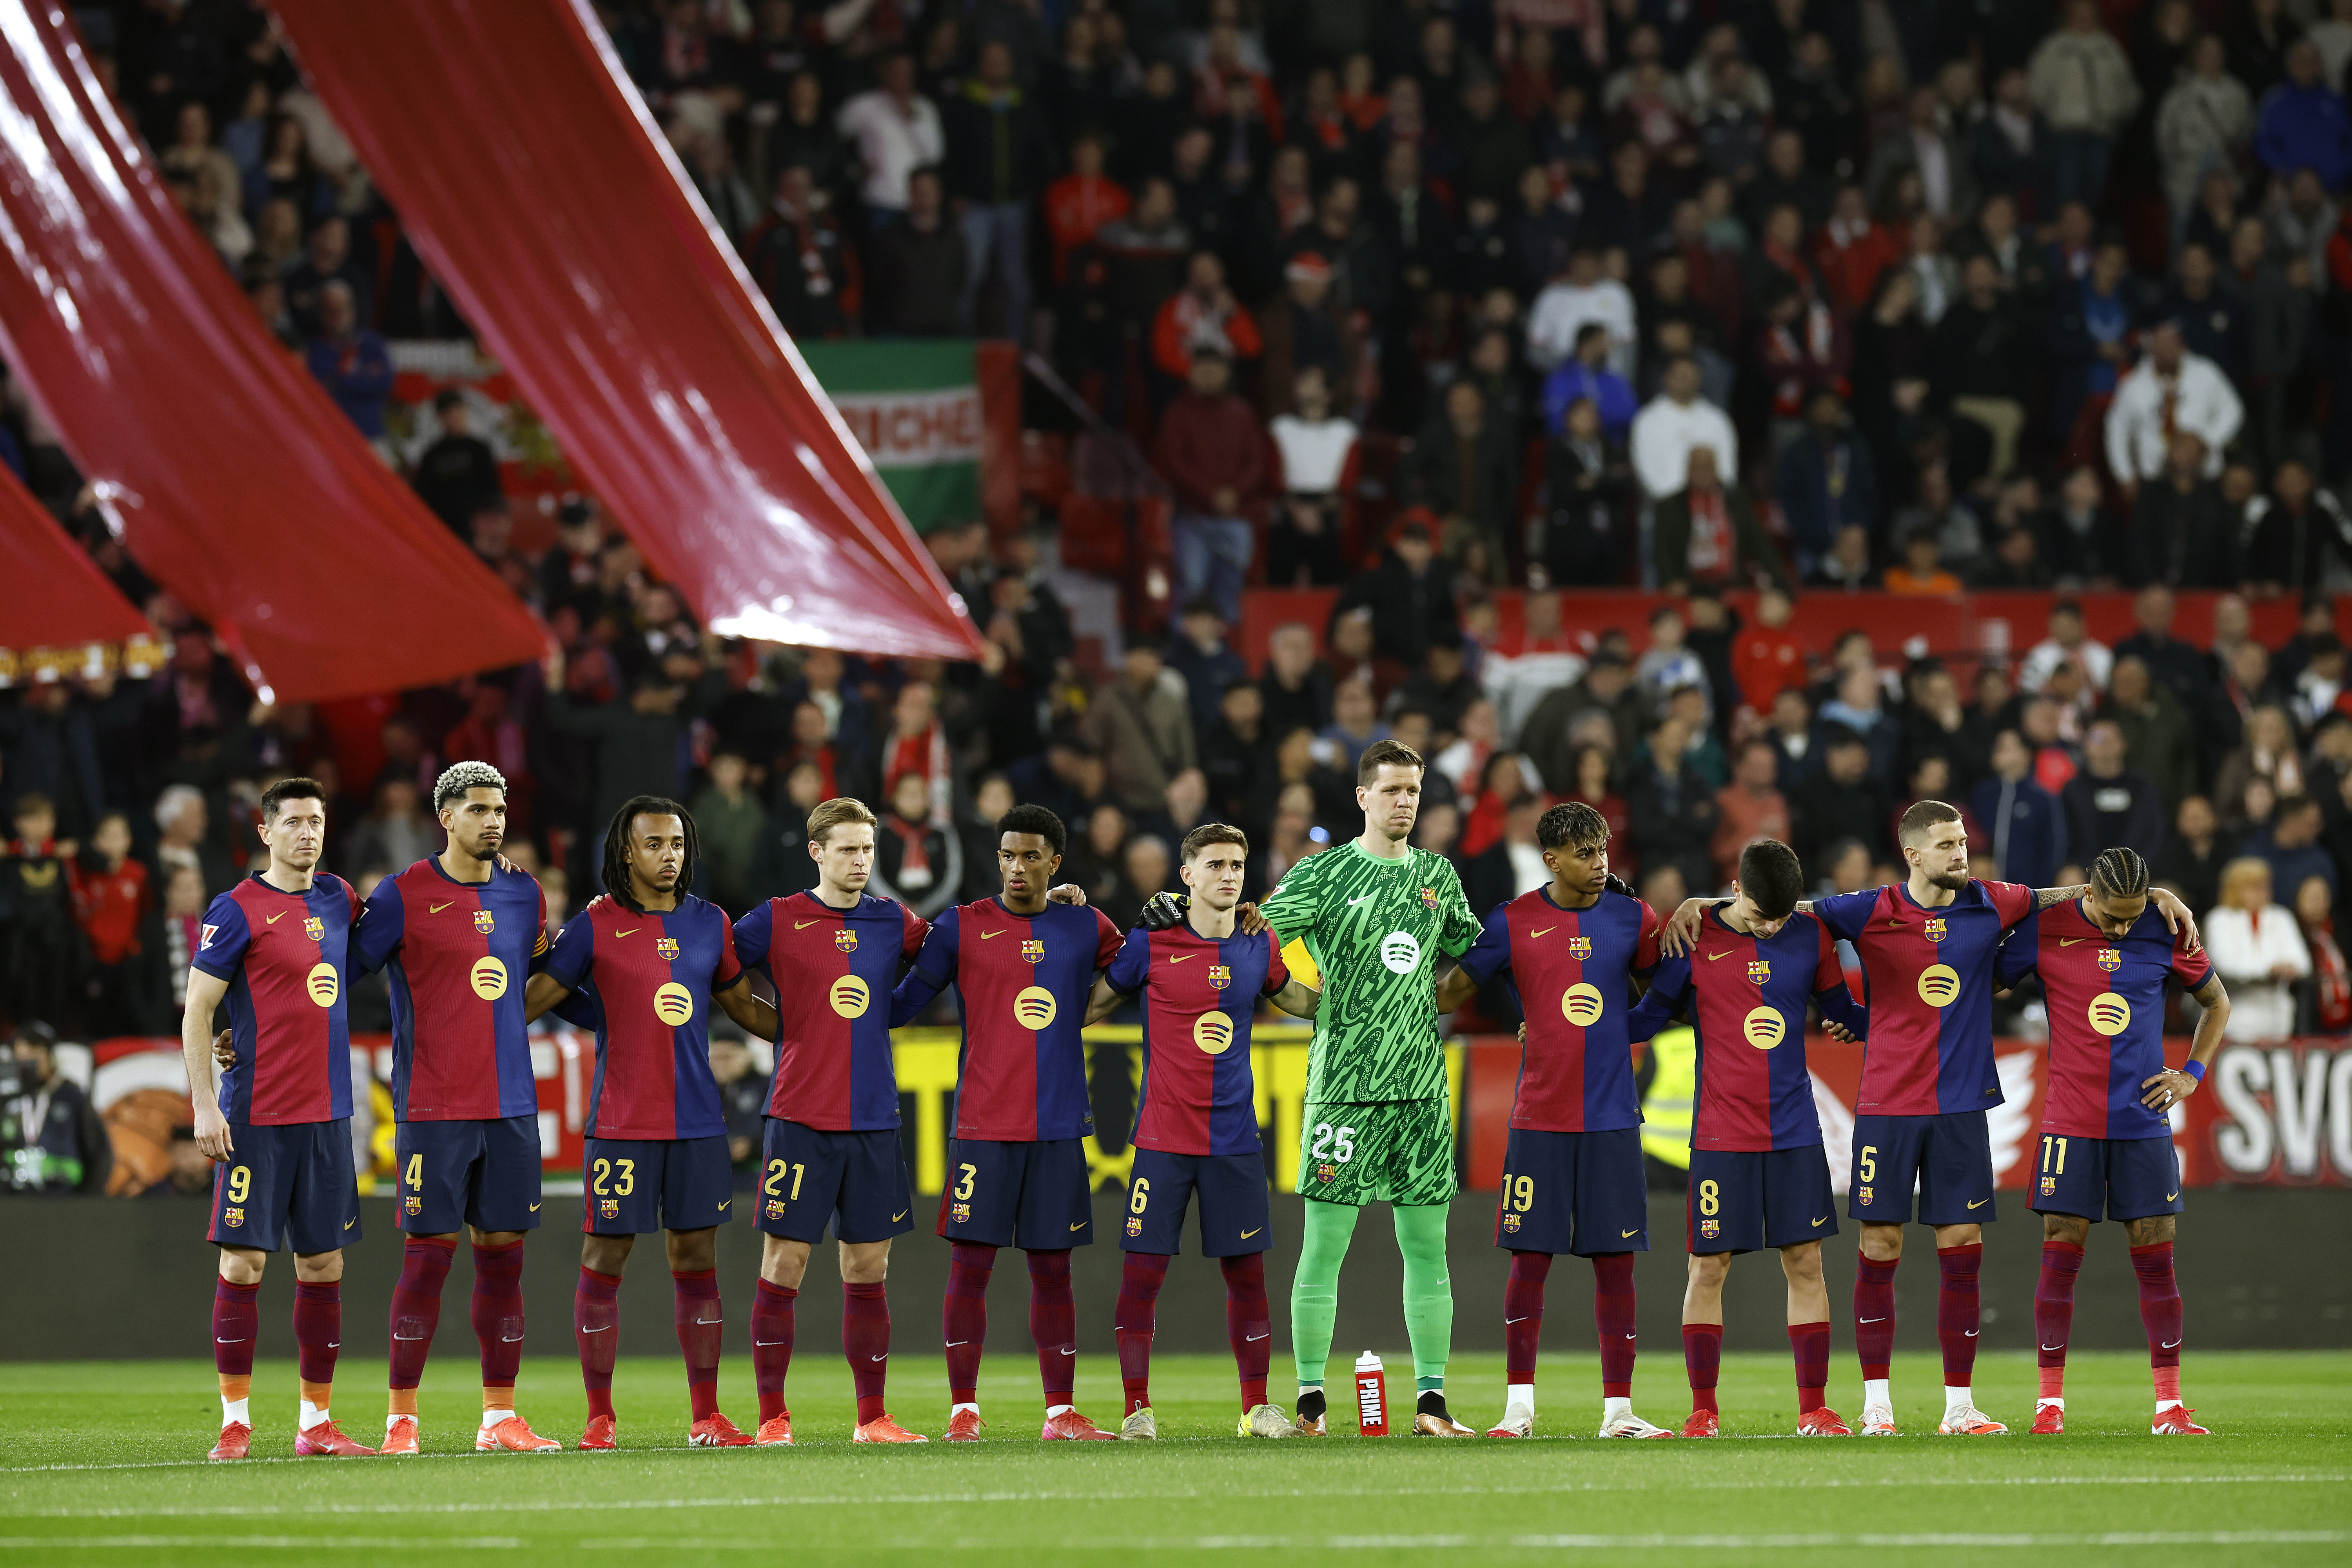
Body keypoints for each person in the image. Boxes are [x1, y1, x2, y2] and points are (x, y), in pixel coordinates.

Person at [1661, 800, 2197, 1436]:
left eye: (1963, 841)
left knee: (1962, 1247)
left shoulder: (1993, 902)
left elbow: (2073, 895)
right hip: (1887, 1103)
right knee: (1879, 1245)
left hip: (1963, 1106)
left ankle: (1959, 1406)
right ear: (1914, 854)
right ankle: (1877, 1407)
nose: (1961, 853)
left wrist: (2155, 890)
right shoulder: (1869, 909)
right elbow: (1782, 909)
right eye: (1947, 845)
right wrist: (1704, 907)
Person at [522, 797, 780, 1449]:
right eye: (655, 845)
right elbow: (534, 1001)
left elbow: (743, 1007)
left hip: (697, 1122)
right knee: (605, 1256)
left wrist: (829, 1026)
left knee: (697, 1259)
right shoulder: (595, 924)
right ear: (626, 853)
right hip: (623, 1121)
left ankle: (706, 1416)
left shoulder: (708, 925)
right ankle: (599, 1419)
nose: (670, 856)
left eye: (678, 844)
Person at [1259, 739, 1484, 1437]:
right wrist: (1299, 1001)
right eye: (1391, 790)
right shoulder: (1323, 874)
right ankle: (1310, 1403)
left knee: (1427, 1245)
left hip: (1420, 1083)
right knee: (1324, 1246)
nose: (1404, 802)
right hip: (1344, 1086)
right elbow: (1254, 937)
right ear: (1362, 797)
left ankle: (1432, 1404)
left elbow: (1477, 954)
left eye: (1413, 791)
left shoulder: (1438, 876)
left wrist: (1439, 999)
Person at [1434, 801, 1671, 1438]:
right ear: (1551, 860)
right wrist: (1385, 987)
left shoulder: (1633, 916)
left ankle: (1619, 1411)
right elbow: (1454, 990)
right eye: (1586, 855)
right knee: (1529, 1260)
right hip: (1539, 1118)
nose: (1600, 865)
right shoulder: (1515, 922)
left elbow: (1668, 989)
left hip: (1613, 1119)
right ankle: (1518, 1410)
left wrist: (1698, 911)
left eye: (1603, 852)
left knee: (1616, 1264)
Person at [889, 804, 1125, 1440]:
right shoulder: (964, 926)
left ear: (1055, 862)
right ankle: (963, 1411)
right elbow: (906, 1002)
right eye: (1007, 856)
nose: (1016, 868)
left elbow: (1133, 972)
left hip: (1056, 1129)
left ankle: (1060, 1415)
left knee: (1054, 1271)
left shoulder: (1084, 926)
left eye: (1030, 857)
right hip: (983, 1127)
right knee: (970, 1267)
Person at [1623, 838, 1869, 1437]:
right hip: (1720, 1135)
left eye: (1783, 917)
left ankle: (1815, 1408)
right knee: (1708, 1267)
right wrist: (1566, 1023)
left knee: (1806, 1262)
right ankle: (1703, 1411)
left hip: (1793, 1132)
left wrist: (1902, 1013)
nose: (1772, 928)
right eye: (1763, 916)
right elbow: (1648, 1018)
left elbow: (1845, 1010)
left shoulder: (1810, 936)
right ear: (1736, 890)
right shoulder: (1693, 937)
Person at [1085, 822, 1323, 1439]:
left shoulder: (1258, 942)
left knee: (1247, 1275)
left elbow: (1297, 1000)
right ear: (1186, 875)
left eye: (1237, 865)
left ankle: (1257, 1408)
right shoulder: (1151, 943)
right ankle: (1137, 1409)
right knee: (1142, 1274)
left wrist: (1366, 1002)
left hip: (1235, 1142)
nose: (1228, 875)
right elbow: (1091, 1006)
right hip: (1163, 1139)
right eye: (1215, 864)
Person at [348, 762, 559, 1455]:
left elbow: (540, 979)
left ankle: (499, 1418)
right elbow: (337, 979)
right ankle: (401, 1420)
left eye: (499, 809)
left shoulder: (525, 894)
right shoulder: (402, 895)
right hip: (433, 1108)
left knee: (504, 1261)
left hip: (511, 1107)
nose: (493, 820)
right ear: (445, 817)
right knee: (426, 1261)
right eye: (477, 809)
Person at [1996, 848, 2231, 1436]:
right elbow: (1988, 974)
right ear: (2087, 894)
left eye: (2133, 916)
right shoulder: (2046, 925)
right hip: (2069, 1122)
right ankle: (2050, 1405)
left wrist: (2192, 1075)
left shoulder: (2167, 927)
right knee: (2060, 1256)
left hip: (2143, 1122)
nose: (2123, 928)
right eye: (2112, 916)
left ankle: (2169, 1407)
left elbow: (2217, 1002)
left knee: (2157, 1260)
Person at [722, 796, 934, 1445]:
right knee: (784, 1264)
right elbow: (717, 963)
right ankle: (771, 1419)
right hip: (799, 1116)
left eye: (868, 849)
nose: (860, 861)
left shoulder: (891, 920)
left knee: (869, 1269)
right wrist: (768, 1024)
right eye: (847, 849)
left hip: (874, 1119)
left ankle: (872, 1418)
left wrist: (900, 1006)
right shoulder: (779, 919)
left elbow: (957, 955)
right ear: (816, 853)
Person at [180, 779, 372, 1461]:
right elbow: (200, 1009)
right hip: (257, 1113)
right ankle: (235, 1422)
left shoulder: (340, 898)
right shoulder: (236, 909)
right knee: (244, 1263)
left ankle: (316, 1426)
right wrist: (205, 1101)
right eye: (293, 823)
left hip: (327, 1117)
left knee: (323, 1266)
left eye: (316, 822)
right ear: (267, 833)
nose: (307, 834)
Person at [1153, 348, 1267, 624]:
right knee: (1191, 588)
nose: (1207, 376)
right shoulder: (1177, 413)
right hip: (1193, 518)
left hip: (1236, 518)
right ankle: (1186, 653)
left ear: (1227, 373)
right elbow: (1175, 462)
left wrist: (1235, 493)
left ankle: (1228, 655)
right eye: (1201, 369)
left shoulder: (1243, 413)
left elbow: (1257, 461)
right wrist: (1211, 495)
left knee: (1232, 590)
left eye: (1214, 369)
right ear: (1190, 373)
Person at [2201, 857, 2308, 1040]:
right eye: (2255, 887)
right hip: (2237, 1016)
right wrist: (2269, 970)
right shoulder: (2219, 919)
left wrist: (2291, 968)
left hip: (2279, 1018)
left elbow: (2303, 963)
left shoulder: (2282, 917)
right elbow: (2225, 964)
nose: (2265, 892)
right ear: (2236, 889)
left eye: (2266, 886)